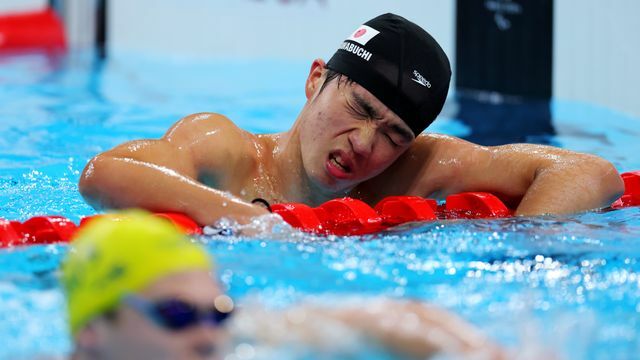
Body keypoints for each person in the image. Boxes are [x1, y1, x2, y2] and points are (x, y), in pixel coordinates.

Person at [78, 13, 624, 227]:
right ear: (316, 80)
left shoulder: (412, 171)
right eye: (359, 108)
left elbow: (592, 174)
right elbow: (103, 174)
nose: (365, 144)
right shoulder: (224, 148)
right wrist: (245, 218)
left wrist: (527, 250)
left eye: (394, 134)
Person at [62, 211, 505, 359]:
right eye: (176, 315)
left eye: (219, 312)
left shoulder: (231, 337)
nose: (207, 338)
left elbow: (391, 315)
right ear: (91, 329)